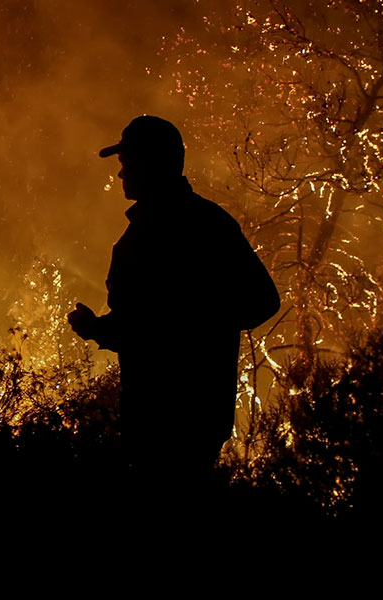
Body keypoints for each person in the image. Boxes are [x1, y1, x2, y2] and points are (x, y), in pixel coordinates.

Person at [68, 115, 279, 487]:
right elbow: (147, 320)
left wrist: (188, 327)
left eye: (127, 162)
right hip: (183, 416)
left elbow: (153, 326)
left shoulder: (175, 230)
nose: (120, 174)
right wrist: (103, 329)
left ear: (153, 163)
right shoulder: (201, 223)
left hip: (170, 420)